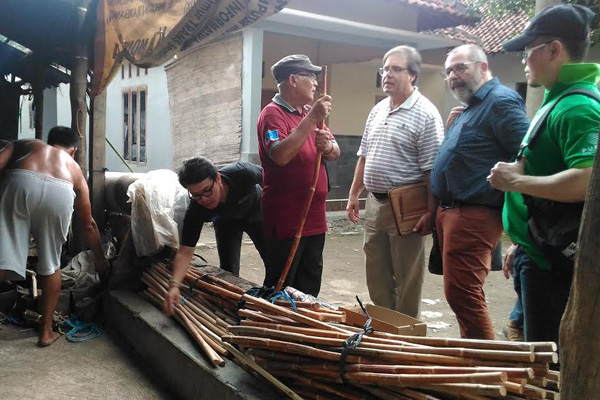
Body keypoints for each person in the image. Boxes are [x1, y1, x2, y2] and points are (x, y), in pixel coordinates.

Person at [489, 4, 600, 344]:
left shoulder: (578, 107)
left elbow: (587, 180)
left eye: (529, 49)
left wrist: (516, 181)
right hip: (537, 248)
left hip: (552, 266)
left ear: (554, 49)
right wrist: (521, 242)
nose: (524, 58)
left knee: (547, 359)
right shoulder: (557, 99)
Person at [430, 44, 530, 339]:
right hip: (453, 212)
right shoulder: (470, 107)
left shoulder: (500, 101)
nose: (453, 76)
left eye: (460, 67)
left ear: (483, 67)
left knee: (464, 296)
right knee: (459, 294)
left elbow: (526, 156)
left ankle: (486, 368)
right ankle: (474, 359)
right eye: (448, 71)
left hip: (475, 213)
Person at [346, 45, 444, 318]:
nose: (387, 74)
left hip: (406, 208)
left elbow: (431, 172)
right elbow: (363, 156)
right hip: (375, 203)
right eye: (385, 69)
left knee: (407, 276)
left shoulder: (426, 114)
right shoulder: (377, 110)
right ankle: (384, 326)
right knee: (376, 271)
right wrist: (354, 194)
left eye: (396, 69)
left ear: (413, 75)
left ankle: (406, 336)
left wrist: (429, 212)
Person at [0, 126, 109, 347]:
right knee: (51, 264)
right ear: (73, 151)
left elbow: (2, 162)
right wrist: (99, 259)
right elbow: (88, 223)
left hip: (21, 180)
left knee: (3, 256)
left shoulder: (29, 144)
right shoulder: (74, 168)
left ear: (48, 142)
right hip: (60, 190)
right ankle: (46, 332)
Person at [256, 54, 340, 297]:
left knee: (310, 281)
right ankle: (278, 330)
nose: (315, 83)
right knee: (283, 283)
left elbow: (335, 152)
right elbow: (280, 155)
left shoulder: (307, 112)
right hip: (287, 219)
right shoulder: (272, 114)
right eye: (310, 77)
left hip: (315, 218)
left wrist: (327, 147)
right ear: (293, 79)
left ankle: (304, 329)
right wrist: (312, 118)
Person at [162, 157, 266, 315]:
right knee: (228, 268)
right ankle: (235, 307)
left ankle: (273, 303)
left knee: (273, 259)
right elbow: (185, 251)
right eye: (196, 195)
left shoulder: (243, 173)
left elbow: (274, 181)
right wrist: (174, 285)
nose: (203, 199)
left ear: (218, 178)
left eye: (207, 191)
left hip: (256, 212)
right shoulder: (196, 210)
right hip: (225, 222)